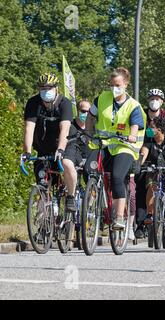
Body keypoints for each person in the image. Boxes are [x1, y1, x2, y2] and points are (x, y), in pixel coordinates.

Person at [85, 67, 146, 236]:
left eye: (117, 85)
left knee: (118, 176)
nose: (114, 88)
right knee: (88, 170)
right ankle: (91, 205)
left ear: (126, 84)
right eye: (111, 85)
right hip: (103, 144)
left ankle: (119, 217)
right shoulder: (102, 99)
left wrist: (132, 136)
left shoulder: (133, 106)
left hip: (124, 146)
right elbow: (91, 116)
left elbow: (135, 126)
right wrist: (89, 134)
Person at [23, 73, 77, 211]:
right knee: (42, 183)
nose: (46, 91)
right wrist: (27, 151)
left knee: (67, 164)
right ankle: (42, 223)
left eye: (49, 88)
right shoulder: (33, 103)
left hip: (65, 144)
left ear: (56, 88)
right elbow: (29, 128)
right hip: (44, 147)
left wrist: (60, 150)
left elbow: (64, 129)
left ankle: (70, 197)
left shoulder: (64, 103)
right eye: (42, 88)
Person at [63, 99, 91, 203]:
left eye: (88, 111)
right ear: (78, 111)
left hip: (88, 158)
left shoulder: (93, 127)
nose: (86, 114)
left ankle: (89, 206)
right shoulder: (71, 125)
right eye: (83, 111)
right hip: (74, 157)